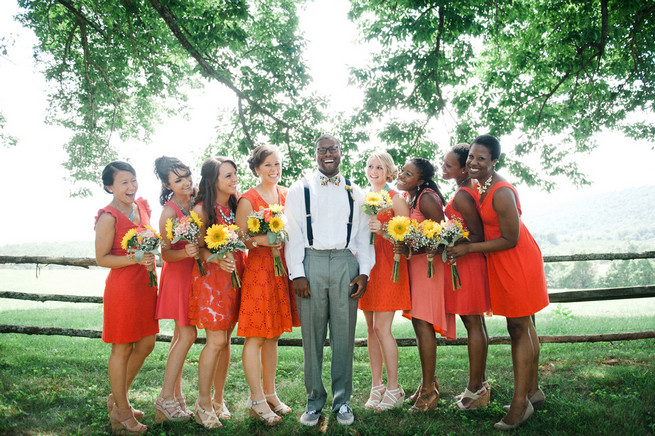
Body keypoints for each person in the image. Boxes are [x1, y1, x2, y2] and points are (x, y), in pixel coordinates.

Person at [447, 135, 549, 430]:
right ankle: (533, 392)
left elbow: (510, 238)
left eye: (481, 159)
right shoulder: (480, 184)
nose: (474, 163)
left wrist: (467, 248)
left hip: (516, 260)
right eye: (471, 158)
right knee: (524, 325)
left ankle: (520, 406)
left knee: (518, 327)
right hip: (500, 261)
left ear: (494, 162)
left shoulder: (502, 192)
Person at [285, 134, 375, 426]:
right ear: (315, 154)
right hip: (311, 261)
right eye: (322, 150)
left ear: (340, 152)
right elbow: (293, 233)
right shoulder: (300, 189)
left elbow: (363, 235)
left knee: (343, 335)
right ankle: (313, 402)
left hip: (345, 262)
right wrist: (297, 273)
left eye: (332, 149)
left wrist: (364, 270)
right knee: (311, 337)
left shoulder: (355, 191)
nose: (327, 154)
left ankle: (342, 401)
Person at [235, 145, 300, 425]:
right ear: (256, 169)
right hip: (259, 272)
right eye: (268, 165)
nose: (274, 170)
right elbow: (239, 239)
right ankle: (256, 399)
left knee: (273, 335)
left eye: (277, 164)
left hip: (282, 270)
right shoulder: (247, 200)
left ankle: (271, 393)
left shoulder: (287, 195)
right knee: (256, 336)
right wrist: (261, 241)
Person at [94, 161, 158, 434]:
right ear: (110, 186)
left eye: (133, 180)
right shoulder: (108, 217)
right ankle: (121, 410)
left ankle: (117, 398)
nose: (131, 187)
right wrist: (134, 258)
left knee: (146, 344)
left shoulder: (141, 206)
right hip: (123, 289)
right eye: (124, 183)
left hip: (146, 286)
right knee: (121, 349)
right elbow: (101, 258)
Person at [188, 157, 246, 429]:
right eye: (228, 176)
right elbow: (197, 250)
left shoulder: (236, 205)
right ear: (213, 181)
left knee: (226, 340)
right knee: (215, 342)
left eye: (234, 174)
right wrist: (216, 259)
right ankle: (202, 403)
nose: (234, 179)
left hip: (235, 276)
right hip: (212, 280)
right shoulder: (201, 210)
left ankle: (218, 399)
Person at [396, 157, 456, 412]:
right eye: (402, 170)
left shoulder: (427, 197)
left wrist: (411, 247)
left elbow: (443, 237)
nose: (401, 175)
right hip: (418, 267)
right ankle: (427, 383)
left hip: (429, 269)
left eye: (408, 174)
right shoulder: (413, 196)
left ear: (420, 180)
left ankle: (429, 393)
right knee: (421, 326)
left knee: (423, 324)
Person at [358, 151, 411, 411]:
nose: (374, 171)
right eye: (370, 166)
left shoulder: (397, 198)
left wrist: (386, 232)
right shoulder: (362, 197)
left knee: (382, 329)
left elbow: (407, 238)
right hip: (366, 267)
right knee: (370, 329)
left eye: (379, 167)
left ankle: (394, 388)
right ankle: (376, 385)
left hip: (390, 266)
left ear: (389, 171)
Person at [441, 144, 492, 410]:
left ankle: (475, 389)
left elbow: (478, 234)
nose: (443, 167)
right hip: (466, 261)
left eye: (449, 165)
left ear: (463, 169)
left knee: (473, 323)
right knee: (475, 323)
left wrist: (451, 240)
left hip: (468, 263)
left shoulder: (463, 194)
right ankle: (480, 386)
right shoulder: (468, 189)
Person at [153, 156, 197, 422]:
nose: (186, 182)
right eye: (178, 180)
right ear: (166, 183)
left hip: (195, 274)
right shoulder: (169, 212)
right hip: (178, 274)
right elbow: (166, 254)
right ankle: (164, 399)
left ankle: (177, 399)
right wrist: (186, 253)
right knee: (188, 335)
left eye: (187, 176)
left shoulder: (195, 198)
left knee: (179, 337)